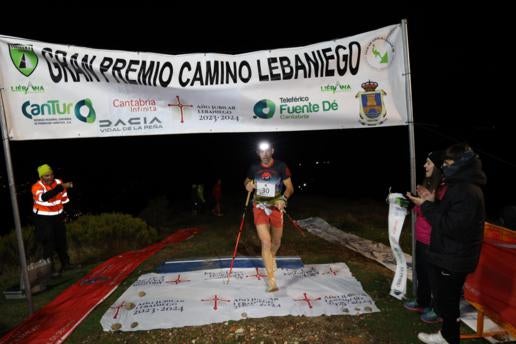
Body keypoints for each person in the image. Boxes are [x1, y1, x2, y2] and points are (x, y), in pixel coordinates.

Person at [406, 144, 486, 344]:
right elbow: (449, 216)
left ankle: (450, 338)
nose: (445, 166)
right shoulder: (459, 186)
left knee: (447, 301)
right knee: (445, 299)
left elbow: (450, 226)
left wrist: (426, 206)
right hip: (449, 253)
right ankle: (447, 335)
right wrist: (432, 202)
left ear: (461, 165)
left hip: (454, 257)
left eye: (448, 163)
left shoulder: (467, 191)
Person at [244, 141, 294, 292]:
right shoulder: (254, 167)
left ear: (272, 151)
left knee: (276, 241)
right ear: (258, 153)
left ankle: (271, 257)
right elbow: (247, 181)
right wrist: (248, 185)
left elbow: (290, 188)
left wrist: (283, 199)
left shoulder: (280, 166)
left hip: (276, 208)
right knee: (266, 242)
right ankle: (272, 281)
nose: (264, 154)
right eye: (261, 152)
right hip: (259, 206)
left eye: (267, 151)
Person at [404, 151, 447, 324]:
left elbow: (440, 215)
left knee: (435, 277)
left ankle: (438, 310)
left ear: (437, 167)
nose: (425, 166)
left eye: (428, 163)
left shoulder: (444, 189)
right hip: (421, 238)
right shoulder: (428, 185)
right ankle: (422, 302)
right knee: (422, 273)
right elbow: (420, 210)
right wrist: (409, 203)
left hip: (434, 241)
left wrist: (428, 202)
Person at [31, 164, 74, 275]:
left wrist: (70, 213)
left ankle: (66, 264)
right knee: (48, 243)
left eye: (51, 175)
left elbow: (64, 199)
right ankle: (50, 270)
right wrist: (61, 187)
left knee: (61, 241)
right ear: (41, 177)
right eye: (46, 176)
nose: (50, 177)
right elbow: (44, 197)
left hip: (58, 216)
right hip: (43, 218)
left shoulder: (59, 182)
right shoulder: (36, 187)